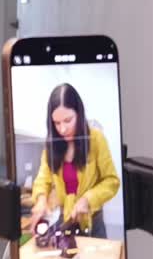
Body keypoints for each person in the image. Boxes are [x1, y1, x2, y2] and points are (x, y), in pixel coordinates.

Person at [27, 83, 119, 238]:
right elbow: (43, 180)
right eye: (57, 123)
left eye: (68, 120)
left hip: (92, 223)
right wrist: (41, 200)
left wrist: (88, 200)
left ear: (79, 114)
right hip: (66, 220)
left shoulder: (96, 139)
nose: (62, 129)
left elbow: (112, 181)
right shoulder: (51, 145)